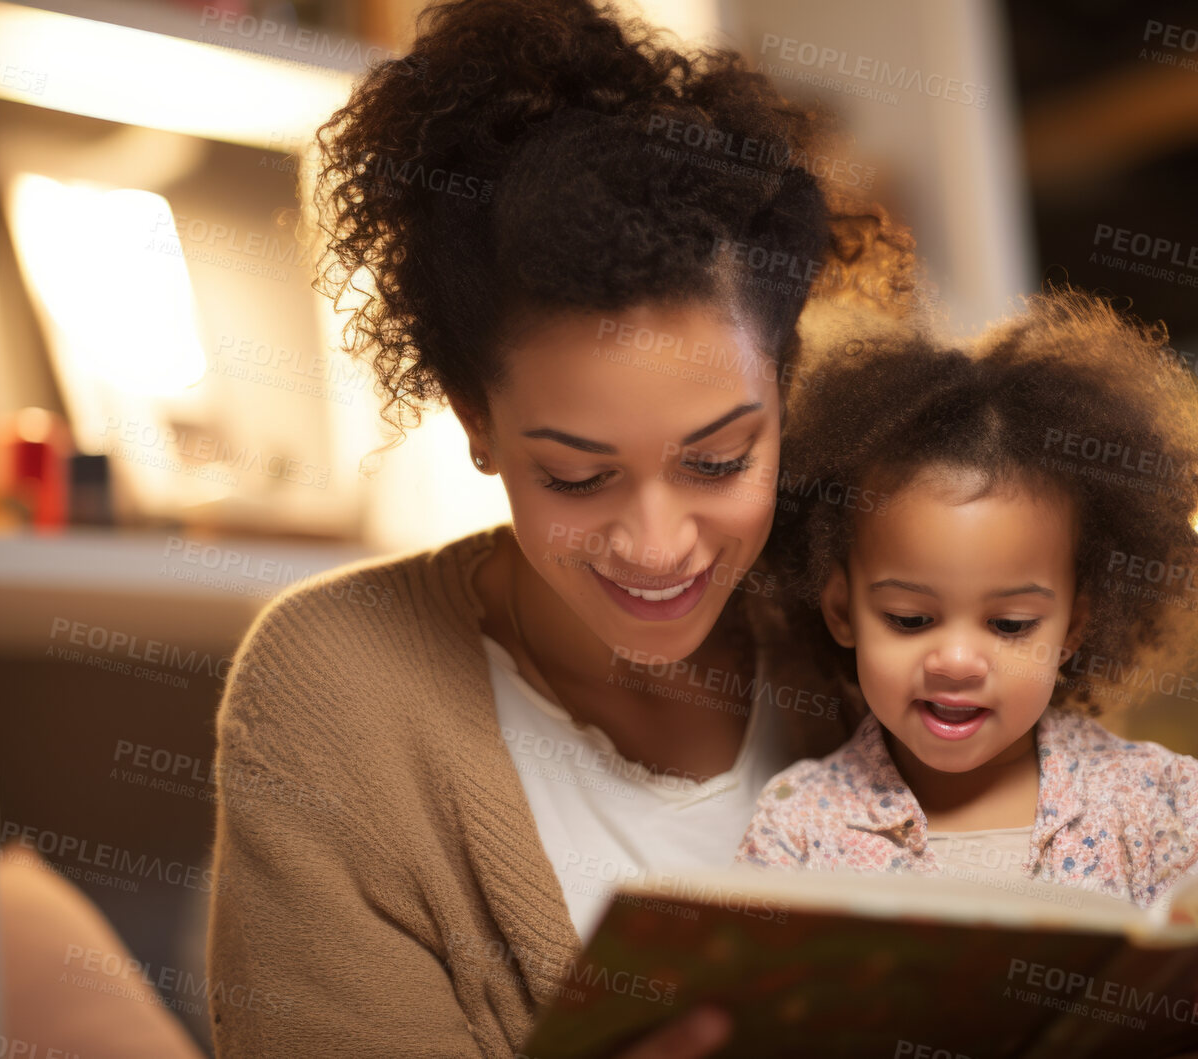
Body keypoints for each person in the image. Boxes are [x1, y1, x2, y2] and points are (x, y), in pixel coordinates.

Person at [203, 0, 914, 1055]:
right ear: (475, 421)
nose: (657, 544)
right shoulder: (333, 690)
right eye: (576, 477)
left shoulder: (869, 625)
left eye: (717, 462)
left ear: (784, 389)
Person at [735, 287, 1198, 1058]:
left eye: (1010, 624)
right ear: (841, 610)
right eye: (910, 619)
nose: (955, 660)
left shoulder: (1159, 806)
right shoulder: (797, 830)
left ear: (1073, 624)